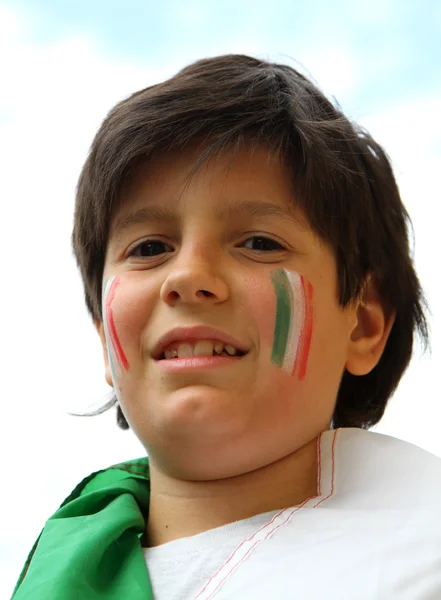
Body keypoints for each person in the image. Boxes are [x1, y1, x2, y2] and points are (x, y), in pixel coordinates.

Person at [12, 54, 441, 600]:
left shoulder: (424, 557)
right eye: (150, 249)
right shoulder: (57, 573)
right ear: (104, 337)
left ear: (362, 325)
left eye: (259, 243)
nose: (188, 277)